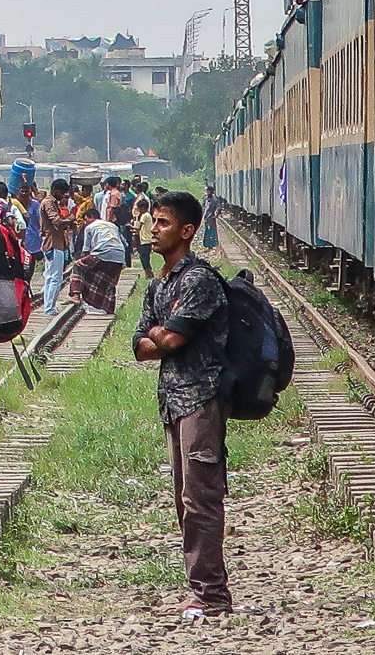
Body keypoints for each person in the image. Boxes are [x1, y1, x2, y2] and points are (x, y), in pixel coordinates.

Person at [133, 191, 233, 620]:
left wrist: (161, 334)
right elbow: (139, 348)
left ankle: (211, 593)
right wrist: (161, 334)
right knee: (184, 496)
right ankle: (201, 585)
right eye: (153, 222)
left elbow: (170, 340)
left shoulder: (198, 280)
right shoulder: (160, 284)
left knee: (200, 497)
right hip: (173, 404)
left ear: (187, 231)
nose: (153, 229)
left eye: (163, 223)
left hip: (201, 400)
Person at [68, 200, 128, 315]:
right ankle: (108, 309)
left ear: (91, 217)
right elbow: (125, 243)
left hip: (102, 252)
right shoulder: (112, 225)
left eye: (85, 219)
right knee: (109, 283)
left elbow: (86, 249)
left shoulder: (89, 227)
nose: (85, 222)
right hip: (119, 256)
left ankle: (75, 294)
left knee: (78, 266)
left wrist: (85, 265)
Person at [39, 180, 75, 310]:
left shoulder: (52, 203)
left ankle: (49, 306)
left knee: (50, 277)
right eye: (61, 192)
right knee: (55, 278)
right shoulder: (49, 203)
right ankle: (50, 308)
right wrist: (70, 219)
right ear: (54, 190)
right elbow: (57, 222)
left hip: (54, 243)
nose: (63, 195)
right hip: (53, 243)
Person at [134, 197, 157, 278]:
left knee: (143, 257)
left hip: (144, 240)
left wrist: (129, 226)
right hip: (148, 239)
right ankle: (149, 272)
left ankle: (148, 273)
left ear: (143, 208)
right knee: (146, 257)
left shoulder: (144, 216)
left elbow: (138, 228)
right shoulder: (148, 215)